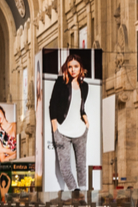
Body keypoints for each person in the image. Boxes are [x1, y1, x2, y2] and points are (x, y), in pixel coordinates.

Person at [49, 52, 90, 191]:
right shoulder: (60, 82)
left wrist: (86, 120)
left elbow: (79, 107)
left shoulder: (85, 86)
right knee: (64, 168)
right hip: (62, 131)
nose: (73, 69)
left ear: (81, 68)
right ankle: (76, 193)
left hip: (80, 131)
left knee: (81, 166)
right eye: (70, 66)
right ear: (66, 67)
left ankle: (83, 195)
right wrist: (55, 127)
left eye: (76, 66)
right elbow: (52, 104)